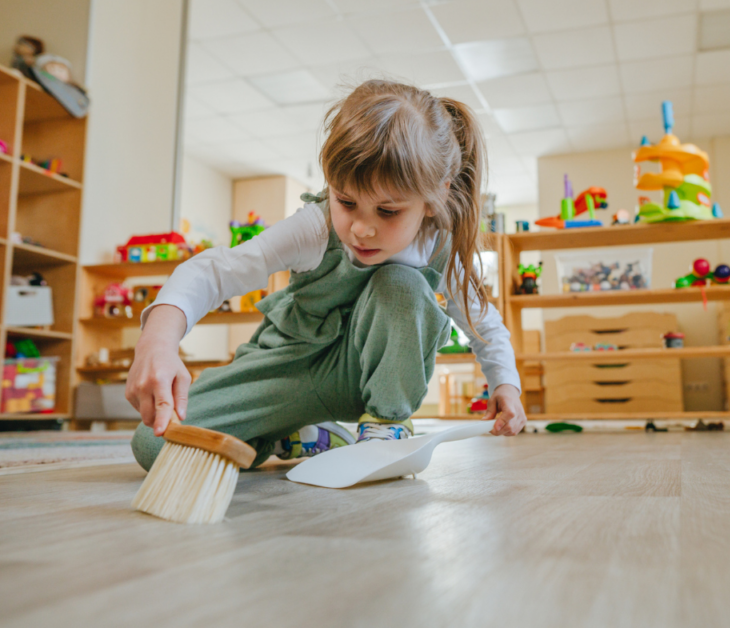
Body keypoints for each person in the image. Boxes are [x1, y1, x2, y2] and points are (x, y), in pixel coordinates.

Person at [127, 80, 526, 471]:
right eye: (346, 201)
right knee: (155, 444)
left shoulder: (441, 245)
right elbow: (218, 271)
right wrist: (158, 339)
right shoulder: (315, 228)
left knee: (402, 287)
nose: (361, 229)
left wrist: (505, 384)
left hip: (366, 379)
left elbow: (484, 323)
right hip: (287, 366)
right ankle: (302, 432)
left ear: (434, 197)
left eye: (388, 211)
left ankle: (387, 427)